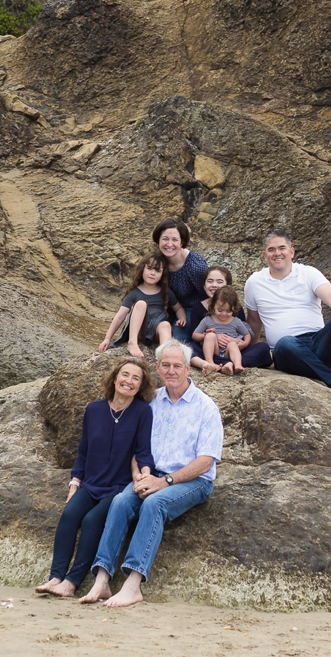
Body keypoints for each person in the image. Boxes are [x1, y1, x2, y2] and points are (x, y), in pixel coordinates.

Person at [80, 340, 224, 608]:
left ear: (187, 369)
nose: (171, 371)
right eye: (166, 365)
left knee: (154, 504)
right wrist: (137, 474)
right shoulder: (151, 402)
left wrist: (164, 481)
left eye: (177, 366)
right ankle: (101, 580)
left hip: (192, 481)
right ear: (157, 368)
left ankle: (133, 584)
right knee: (121, 501)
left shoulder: (205, 407)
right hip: (151, 474)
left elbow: (206, 461)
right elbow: (138, 447)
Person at [36, 358, 157, 597]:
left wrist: (145, 472)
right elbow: (83, 451)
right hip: (90, 484)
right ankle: (55, 577)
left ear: (141, 386)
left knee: (92, 521)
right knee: (69, 515)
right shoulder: (94, 409)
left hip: (117, 487)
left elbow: (143, 451)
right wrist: (75, 483)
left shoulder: (143, 412)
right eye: (125, 375)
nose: (129, 381)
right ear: (114, 378)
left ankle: (71, 583)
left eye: (136, 378)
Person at [243, 229, 331, 398]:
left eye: (282, 248)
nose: (277, 253)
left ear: (291, 252)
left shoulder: (308, 273)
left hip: (318, 343)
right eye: (271, 250)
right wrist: (250, 354)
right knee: (286, 342)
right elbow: (254, 321)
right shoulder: (254, 282)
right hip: (287, 354)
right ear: (265, 255)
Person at [189, 266, 272, 372]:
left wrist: (236, 340)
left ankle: (229, 364)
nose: (214, 285)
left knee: (263, 348)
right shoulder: (198, 309)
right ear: (204, 286)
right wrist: (212, 336)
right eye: (210, 281)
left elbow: (244, 333)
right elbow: (194, 336)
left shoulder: (236, 308)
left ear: (227, 286)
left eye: (219, 282)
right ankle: (220, 364)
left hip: (232, 349)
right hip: (209, 350)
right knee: (187, 346)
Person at [99, 253, 172, 358]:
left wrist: (182, 318)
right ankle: (132, 343)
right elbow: (120, 317)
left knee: (166, 325)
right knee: (141, 304)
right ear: (142, 269)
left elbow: (178, 308)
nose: (152, 273)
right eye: (150, 268)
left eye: (157, 270)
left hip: (154, 330)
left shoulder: (165, 291)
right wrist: (107, 338)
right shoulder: (134, 293)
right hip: (139, 331)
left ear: (162, 275)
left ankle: (165, 354)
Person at [154, 218, 208, 343]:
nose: (169, 244)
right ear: (158, 240)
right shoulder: (156, 260)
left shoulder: (195, 266)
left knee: (178, 340)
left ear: (182, 242)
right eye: (165, 239)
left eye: (175, 240)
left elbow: (206, 295)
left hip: (192, 308)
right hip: (167, 307)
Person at [192, 286, 253, 375]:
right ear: (213, 306)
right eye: (220, 310)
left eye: (228, 311)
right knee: (210, 336)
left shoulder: (236, 321)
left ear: (234, 308)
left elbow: (247, 334)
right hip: (214, 350)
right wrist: (205, 335)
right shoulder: (207, 320)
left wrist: (245, 343)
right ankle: (211, 363)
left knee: (233, 344)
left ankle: (237, 364)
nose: (224, 314)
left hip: (229, 351)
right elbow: (195, 335)